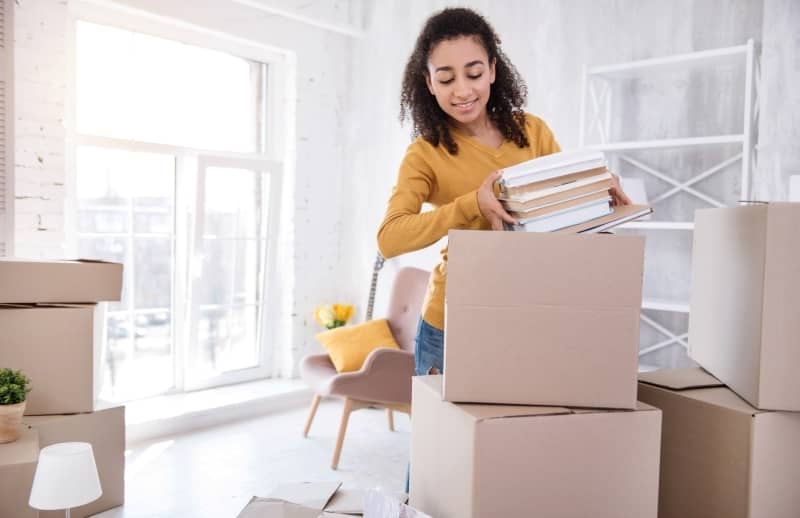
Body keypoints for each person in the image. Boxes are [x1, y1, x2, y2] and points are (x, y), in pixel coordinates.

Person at [377, 7, 631, 379]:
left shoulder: (533, 132)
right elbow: (389, 239)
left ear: (493, 70)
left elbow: (564, 217)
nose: (462, 90)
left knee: (514, 433)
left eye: (474, 73)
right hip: (451, 320)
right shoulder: (425, 154)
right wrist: (472, 205)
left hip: (528, 308)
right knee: (449, 436)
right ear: (428, 83)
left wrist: (597, 191)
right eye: (446, 79)